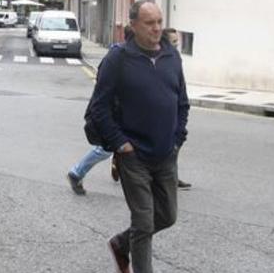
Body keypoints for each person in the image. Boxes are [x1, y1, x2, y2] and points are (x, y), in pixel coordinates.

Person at [86, 0, 189, 273]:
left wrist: (177, 138)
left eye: (159, 21)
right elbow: (99, 108)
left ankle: (120, 244)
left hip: (165, 153)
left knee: (168, 216)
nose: (157, 28)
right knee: (144, 221)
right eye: (149, 23)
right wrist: (121, 144)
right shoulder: (119, 59)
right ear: (133, 25)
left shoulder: (171, 56)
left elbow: (182, 101)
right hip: (134, 156)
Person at [67, 28, 190, 195]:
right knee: (105, 148)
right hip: (121, 114)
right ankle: (77, 172)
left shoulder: (163, 58)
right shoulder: (118, 56)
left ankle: (166, 178)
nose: (175, 47)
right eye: (173, 43)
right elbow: (104, 89)